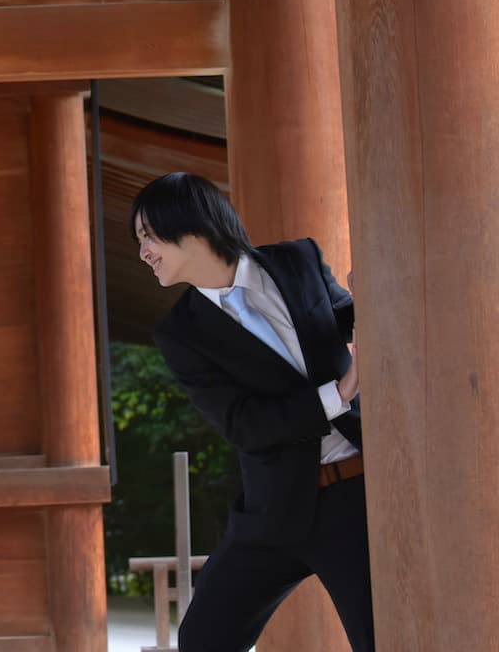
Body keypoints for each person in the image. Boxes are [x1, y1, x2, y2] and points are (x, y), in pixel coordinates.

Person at [130, 172, 373, 651]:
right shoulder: (180, 333)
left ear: (192, 227)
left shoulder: (298, 260)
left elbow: (343, 318)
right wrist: (340, 392)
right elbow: (245, 425)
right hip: (273, 511)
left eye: (148, 236)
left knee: (379, 638)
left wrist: (374, 300)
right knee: (202, 640)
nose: (142, 253)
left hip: (353, 496)